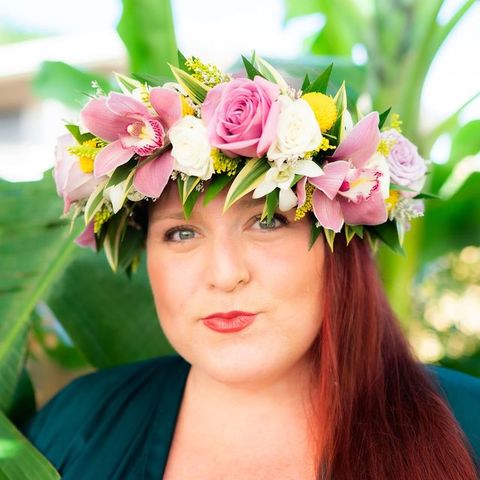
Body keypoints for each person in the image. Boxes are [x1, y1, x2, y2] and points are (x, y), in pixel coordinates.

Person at [20, 55, 480, 479]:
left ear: (340, 244)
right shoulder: (75, 426)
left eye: (267, 222)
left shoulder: (468, 424)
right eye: (181, 234)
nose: (224, 275)